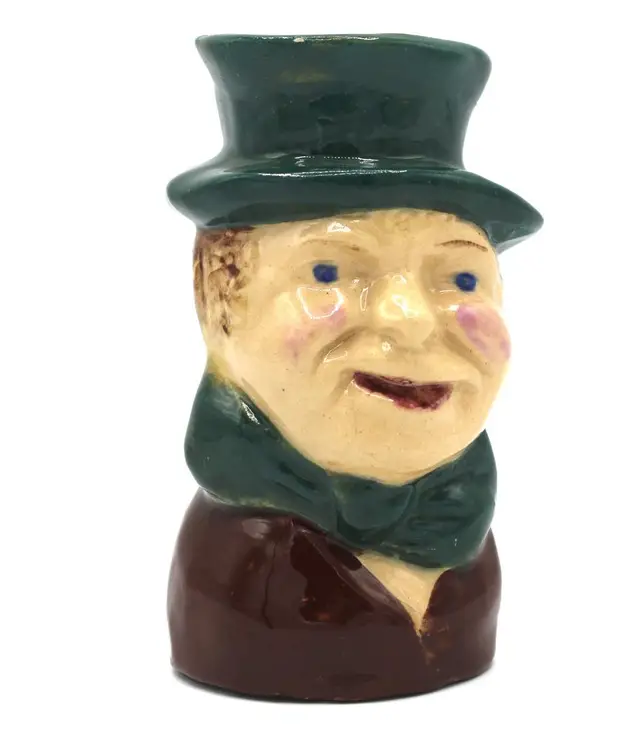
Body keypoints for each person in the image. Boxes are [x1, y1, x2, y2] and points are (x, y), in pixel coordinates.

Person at [167, 34, 542, 701]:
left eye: (461, 277)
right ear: (219, 298)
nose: (411, 319)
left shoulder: (462, 527)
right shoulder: (242, 566)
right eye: (328, 271)